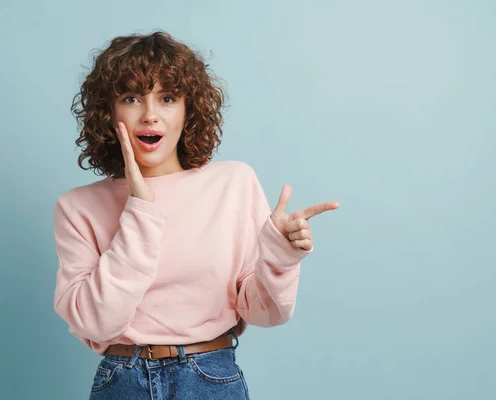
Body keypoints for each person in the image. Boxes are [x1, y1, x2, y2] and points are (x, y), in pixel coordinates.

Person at [53, 30, 339, 400]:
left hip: (208, 377)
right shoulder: (77, 207)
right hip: (121, 382)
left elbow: (266, 313)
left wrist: (279, 259)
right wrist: (140, 207)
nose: (150, 115)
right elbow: (95, 321)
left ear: (188, 110)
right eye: (131, 98)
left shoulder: (232, 183)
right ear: (108, 113)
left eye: (168, 98)